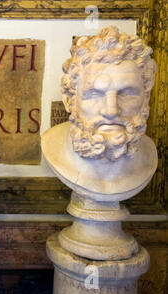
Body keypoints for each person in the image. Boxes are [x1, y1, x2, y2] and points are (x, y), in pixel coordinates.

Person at [42, 26, 157, 200]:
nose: (111, 111)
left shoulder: (149, 155)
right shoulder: (51, 144)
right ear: (69, 100)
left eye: (127, 93)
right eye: (95, 94)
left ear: (145, 96)